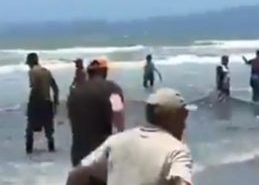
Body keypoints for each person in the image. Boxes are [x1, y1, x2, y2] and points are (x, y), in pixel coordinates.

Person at [66, 88, 194, 185]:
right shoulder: (176, 150)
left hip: (83, 141)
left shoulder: (116, 141)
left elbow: (76, 175)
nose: (184, 126)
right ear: (173, 118)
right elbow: (118, 111)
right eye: (183, 119)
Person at [67, 58, 125, 169]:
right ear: (104, 72)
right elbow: (118, 118)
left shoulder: (75, 92)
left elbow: (72, 119)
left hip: (79, 152)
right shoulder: (113, 89)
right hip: (101, 152)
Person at [25, 53, 59, 154]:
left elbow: (35, 87)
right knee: (48, 131)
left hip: (36, 101)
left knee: (30, 129)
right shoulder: (47, 71)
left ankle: (29, 152)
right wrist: (55, 102)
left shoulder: (32, 71)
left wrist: (32, 104)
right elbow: (55, 88)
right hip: (47, 102)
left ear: (31, 62)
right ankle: (51, 149)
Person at [216, 55, 231, 121]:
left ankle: (224, 111)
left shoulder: (226, 67)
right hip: (222, 85)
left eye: (227, 60)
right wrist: (219, 86)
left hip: (226, 85)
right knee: (222, 98)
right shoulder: (220, 67)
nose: (227, 61)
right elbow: (219, 77)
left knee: (226, 98)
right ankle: (221, 112)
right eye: (225, 60)